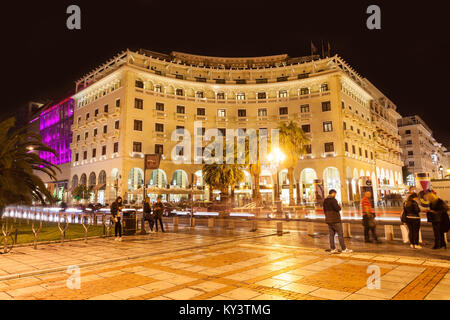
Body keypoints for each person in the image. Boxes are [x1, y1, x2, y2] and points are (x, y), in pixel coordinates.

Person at [323, 189, 352, 254]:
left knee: (331, 235)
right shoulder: (333, 200)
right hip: (335, 220)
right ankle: (344, 249)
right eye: (335, 194)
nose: (335, 195)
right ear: (333, 193)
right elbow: (337, 208)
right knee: (340, 234)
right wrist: (340, 206)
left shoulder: (325, 200)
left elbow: (324, 210)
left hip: (328, 220)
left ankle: (333, 248)